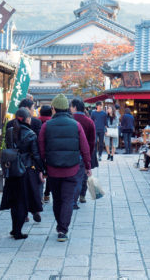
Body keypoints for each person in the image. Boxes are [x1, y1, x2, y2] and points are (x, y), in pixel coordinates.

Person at [38, 94, 91, 242]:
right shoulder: (76, 125)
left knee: (57, 199)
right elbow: (85, 148)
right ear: (67, 109)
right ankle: (63, 230)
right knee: (67, 199)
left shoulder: (46, 126)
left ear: (53, 108)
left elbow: (41, 149)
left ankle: (60, 225)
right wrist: (88, 165)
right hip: (72, 168)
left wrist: (42, 169)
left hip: (53, 169)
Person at [0, 108, 45, 239]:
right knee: (23, 202)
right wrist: (43, 169)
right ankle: (18, 232)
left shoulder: (10, 132)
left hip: (12, 169)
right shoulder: (30, 134)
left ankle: (14, 229)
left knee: (14, 201)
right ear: (27, 119)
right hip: (26, 170)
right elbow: (36, 155)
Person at [70, 98, 97, 207]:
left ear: (75, 107)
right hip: (83, 155)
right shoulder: (89, 121)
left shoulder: (70, 119)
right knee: (82, 177)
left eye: (71, 107)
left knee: (72, 178)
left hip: (71, 154)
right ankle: (81, 196)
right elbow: (92, 142)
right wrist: (88, 159)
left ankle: (72, 200)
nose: (70, 109)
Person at [38, 104, 53, 202]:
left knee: (39, 173)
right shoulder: (52, 123)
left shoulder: (36, 121)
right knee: (50, 174)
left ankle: (39, 194)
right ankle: (47, 194)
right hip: (50, 152)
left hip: (38, 152)